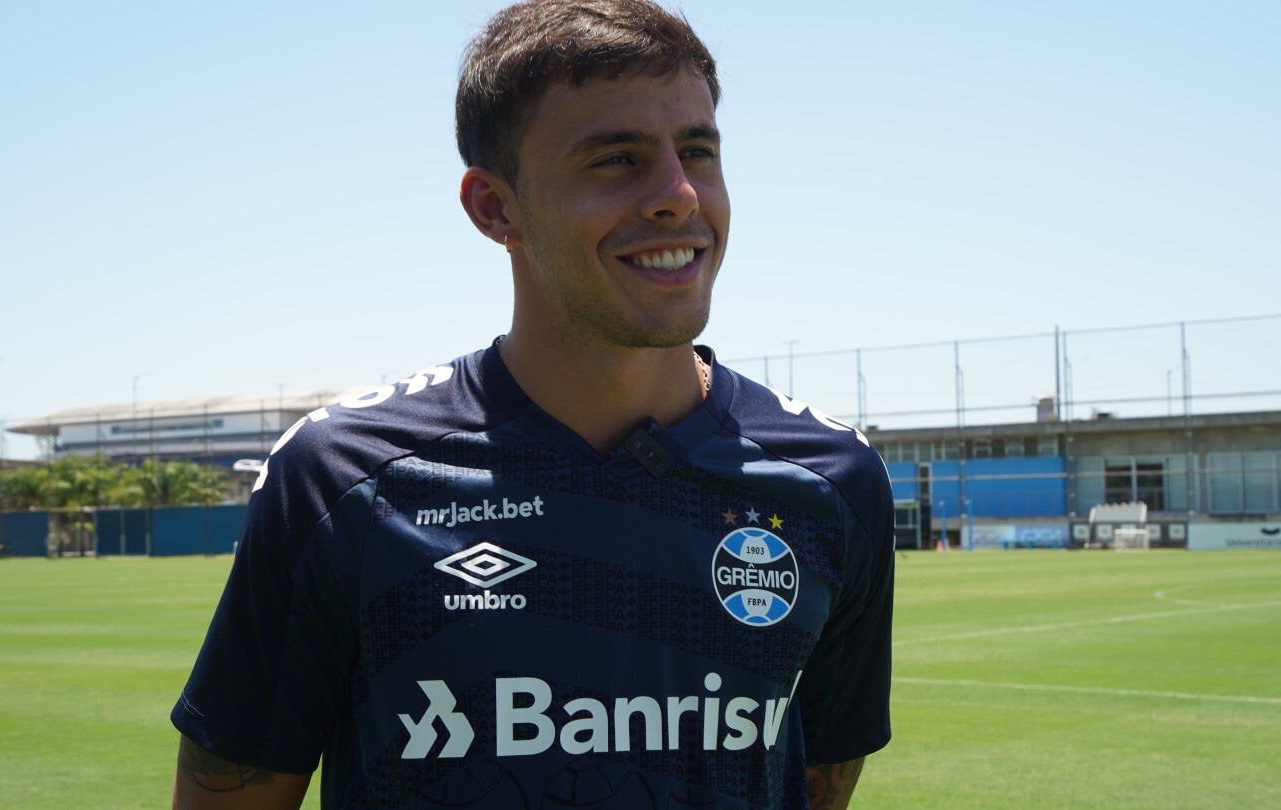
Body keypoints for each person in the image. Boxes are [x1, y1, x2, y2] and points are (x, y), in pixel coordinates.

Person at [170, 1, 895, 807]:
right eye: (616, 160)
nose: (680, 195)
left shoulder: (832, 479)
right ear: (495, 209)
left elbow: (816, 780)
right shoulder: (341, 479)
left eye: (698, 151)